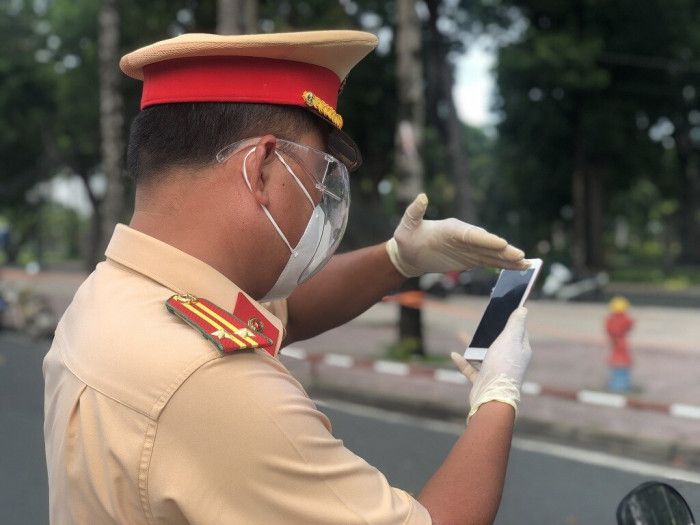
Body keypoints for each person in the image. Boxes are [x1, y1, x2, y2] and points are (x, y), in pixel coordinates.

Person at [43, 30, 533, 524]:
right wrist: (498, 395)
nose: (319, 207)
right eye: (319, 181)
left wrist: (398, 259)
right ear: (260, 169)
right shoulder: (214, 385)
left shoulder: (113, 294)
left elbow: (280, 315)